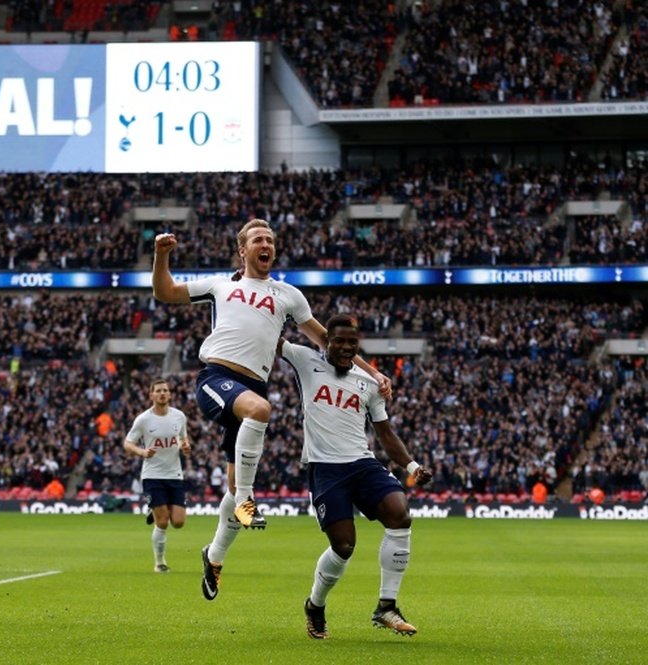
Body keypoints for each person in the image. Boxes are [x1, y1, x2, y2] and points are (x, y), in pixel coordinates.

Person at [151, 220, 391, 600]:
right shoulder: (221, 285)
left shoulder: (288, 296)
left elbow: (328, 342)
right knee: (261, 412)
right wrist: (162, 255)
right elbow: (165, 292)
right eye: (257, 240)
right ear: (241, 250)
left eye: (270, 240)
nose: (266, 244)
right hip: (217, 378)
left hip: (252, 387)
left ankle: (213, 557)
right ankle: (248, 500)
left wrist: (373, 372)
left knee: (232, 485)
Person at [278, 314, 432, 639]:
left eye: (352, 342)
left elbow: (386, 434)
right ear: (326, 341)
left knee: (400, 514)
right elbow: (265, 337)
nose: (346, 347)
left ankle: (386, 606)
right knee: (344, 546)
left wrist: (413, 466)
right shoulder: (305, 360)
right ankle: (315, 605)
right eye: (340, 341)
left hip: (362, 463)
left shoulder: (370, 382)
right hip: (325, 468)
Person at [123, 378, 191, 573]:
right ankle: (159, 562)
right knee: (162, 522)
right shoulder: (143, 419)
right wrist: (143, 452)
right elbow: (128, 443)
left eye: (165, 390)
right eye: (159, 391)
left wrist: (185, 447)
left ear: (169, 394)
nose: (162, 393)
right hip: (152, 475)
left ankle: (154, 509)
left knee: (178, 522)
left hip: (175, 474)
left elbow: (182, 439)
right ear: (151, 395)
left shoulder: (179, 417)